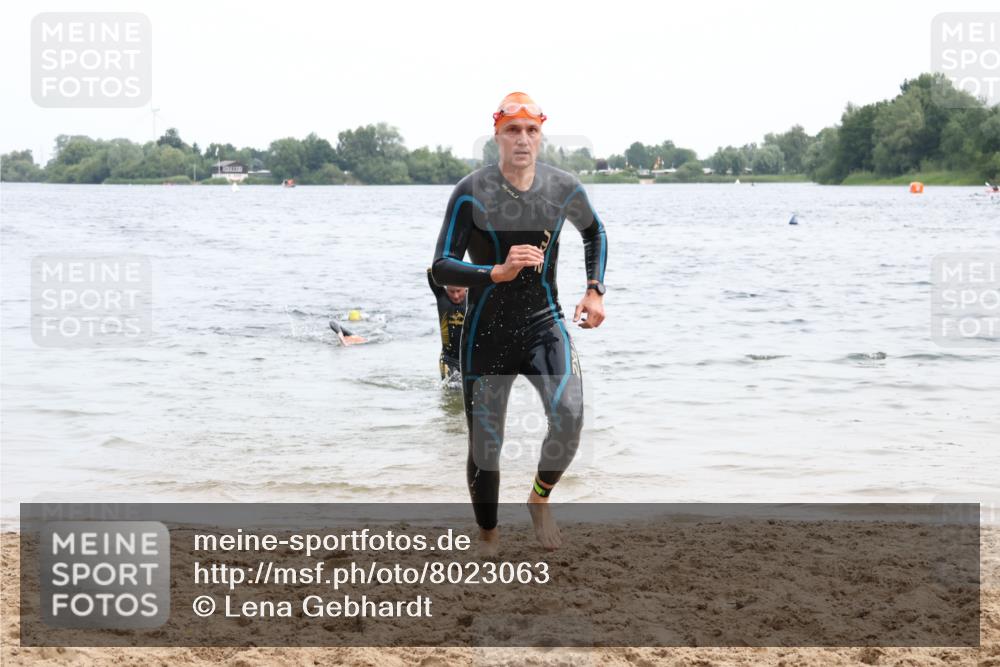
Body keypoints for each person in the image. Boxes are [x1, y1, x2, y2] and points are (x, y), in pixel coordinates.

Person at [431, 92, 608, 554]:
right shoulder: (471, 192)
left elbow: (594, 231)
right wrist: (495, 272)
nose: (523, 139)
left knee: (569, 417)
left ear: (541, 134)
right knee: (486, 445)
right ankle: (488, 534)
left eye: (531, 130)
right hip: (486, 333)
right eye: (513, 130)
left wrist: (594, 289)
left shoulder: (563, 187)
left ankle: (539, 499)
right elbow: (442, 265)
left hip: (543, 324)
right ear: (497, 135)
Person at [426, 268, 467, 381]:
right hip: (448, 359)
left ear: (466, 288)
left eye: (459, 291)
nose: (456, 296)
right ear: (446, 290)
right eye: (451, 291)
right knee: (450, 394)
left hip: (468, 359)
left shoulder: (473, 298)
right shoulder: (441, 297)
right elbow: (430, 272)